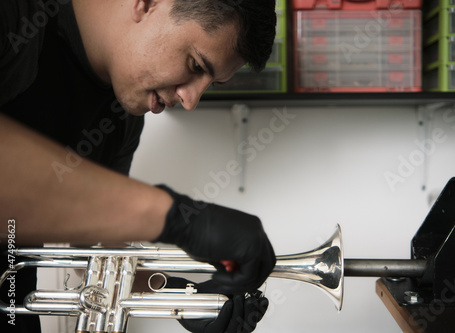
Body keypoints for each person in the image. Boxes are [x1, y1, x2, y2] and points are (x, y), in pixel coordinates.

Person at [0, 0, 277, 332]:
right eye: (195, 64)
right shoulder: (15, 14)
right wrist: (174, 218)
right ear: (147, 4)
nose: (191, 101)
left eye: (210, 84)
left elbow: (96, 249)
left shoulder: (123, 117)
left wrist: (180, 296)